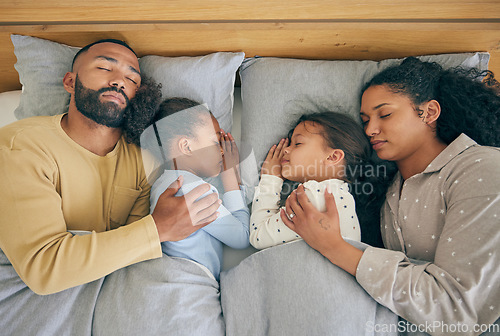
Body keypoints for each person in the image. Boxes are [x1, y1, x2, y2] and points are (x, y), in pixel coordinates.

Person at [0, 39, 221, 334]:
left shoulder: (143, 161)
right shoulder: (21, 146)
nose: (119, 81)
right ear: (70, 81)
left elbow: (127, 262)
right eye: (104, 67)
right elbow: (43, 268)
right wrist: (157, 229)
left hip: (103, 309)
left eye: (132, 79)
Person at [281, 57, 500, 334]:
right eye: (365, 120)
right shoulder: (386, 196)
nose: (370, 129)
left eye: (384, 115)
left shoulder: (483, 168)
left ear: (429, 112)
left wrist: (335, 247)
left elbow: (457, 310)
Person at [143, 97, 250, 281]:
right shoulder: (196, 190)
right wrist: (231, 176)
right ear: (186, 146)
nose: (223, 151)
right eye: (217, 142)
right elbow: (242, 237)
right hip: (189, 279)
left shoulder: (159, 185)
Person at [250, 112, 368, 249]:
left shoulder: (314, 195)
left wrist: (270, 179)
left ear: (333, 157)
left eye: (298, 143)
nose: (286, 149)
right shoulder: (342, 197)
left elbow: (258, 236)